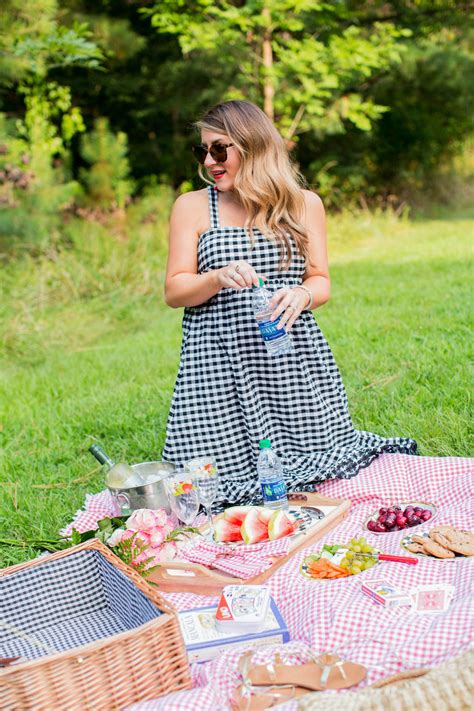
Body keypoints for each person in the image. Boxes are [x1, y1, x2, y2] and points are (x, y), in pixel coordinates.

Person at [162, 100, 416, 506]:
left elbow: (321, 281)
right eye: (203, 150)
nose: (210, 160)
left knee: (320, 479)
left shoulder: (303, 204)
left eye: (220, 149)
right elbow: (174, 290)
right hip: (215, 365)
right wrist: (214, 278)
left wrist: (302, 293)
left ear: (254, 146)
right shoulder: (191, 207)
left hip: (290, 358)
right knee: (211, 489)